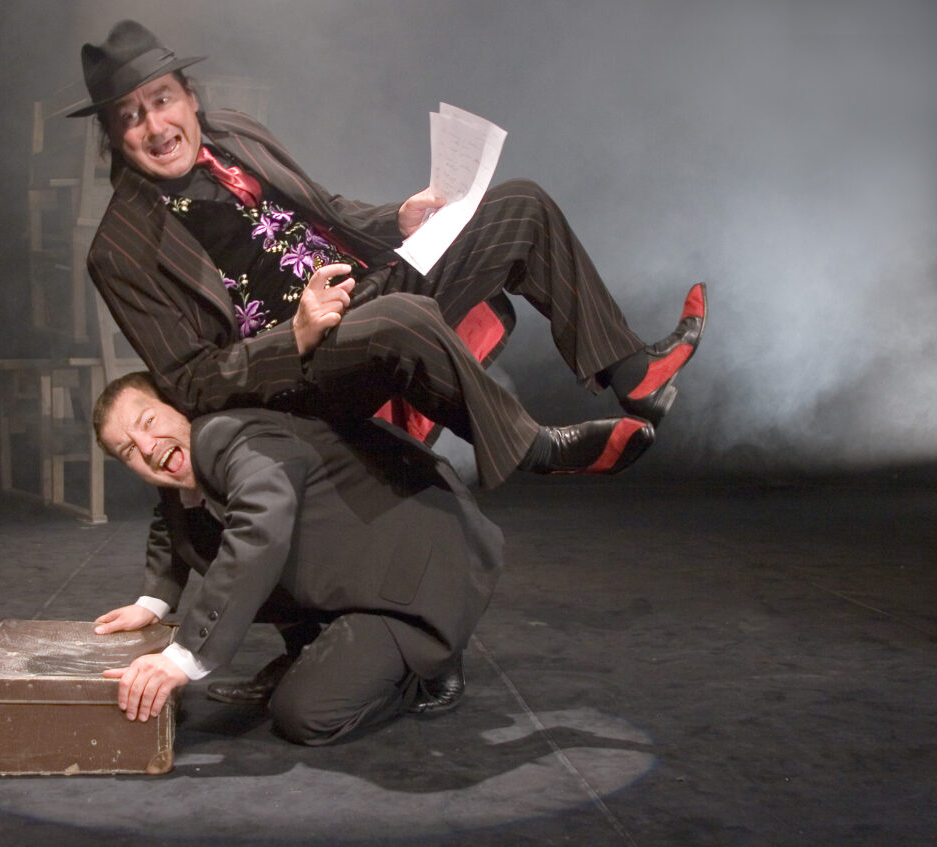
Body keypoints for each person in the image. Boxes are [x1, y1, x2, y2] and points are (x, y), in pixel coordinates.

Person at [70, 20, 708, 490]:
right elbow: (192, 382)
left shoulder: (235, 131)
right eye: (131, 116)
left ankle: (634, 373)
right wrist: (295, 336)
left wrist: (395, 218)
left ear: (189, 96)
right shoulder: (119, 251)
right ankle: (536, 448)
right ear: (114, 139)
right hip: (305, 368)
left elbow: (324, 208)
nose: (156, 127)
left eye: (162, 100)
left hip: (367, 288)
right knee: (400, 316)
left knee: (520, 205)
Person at [91, 371, 505, 745]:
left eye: (149, 421)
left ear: (178, 405)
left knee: (304, 714)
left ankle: (428, 662)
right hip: (359, 560)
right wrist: (151, 603)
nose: (147, 447)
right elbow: (171, 520)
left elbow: (259, 533)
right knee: (208, 542)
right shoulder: (184, 456)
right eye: (128, 450)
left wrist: (184, 657)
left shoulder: (229, 435)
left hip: (420, 570)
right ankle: (308, 649)